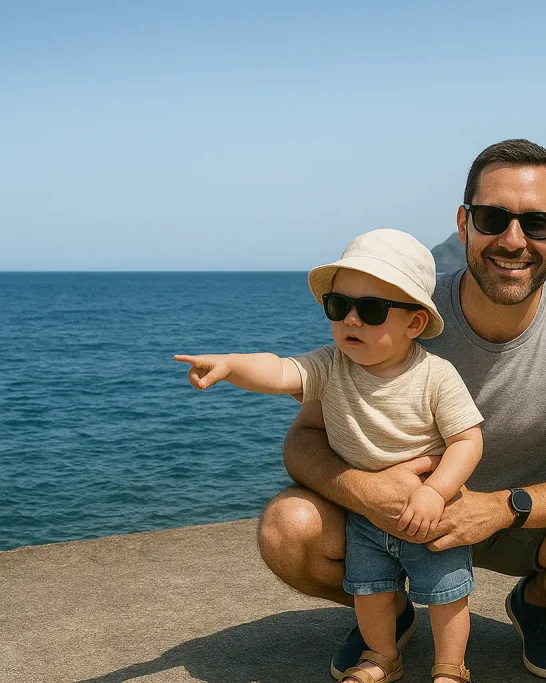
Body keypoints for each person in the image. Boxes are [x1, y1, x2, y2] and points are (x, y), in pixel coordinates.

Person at [257, 139, 546, 680]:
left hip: (516, 523)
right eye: (493, 218)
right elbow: (304, 440)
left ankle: (537, 605)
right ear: (464, 224)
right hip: (393, 520)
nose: (513, 241)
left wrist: (501, 507)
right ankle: (387, 614)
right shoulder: (397, 309)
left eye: (536, 223)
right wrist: (361, 491)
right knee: (287, 528)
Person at [174, 229, 484, 683]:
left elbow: (468, 440)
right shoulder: (330, 366)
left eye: (372, 310)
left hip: (430, 512)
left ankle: (451, 668)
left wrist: (437, 492)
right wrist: (232, 365)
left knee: (447, 594)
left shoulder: (435, 376)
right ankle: (383, 656)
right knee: (371, 592)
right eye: (339, 306)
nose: (351, 320)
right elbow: (280, 369)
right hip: (364, 514)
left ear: (415, 324)